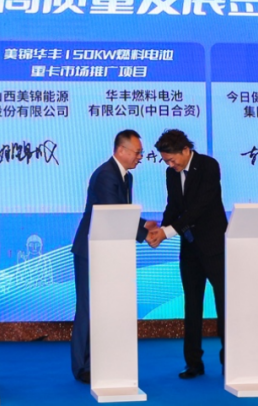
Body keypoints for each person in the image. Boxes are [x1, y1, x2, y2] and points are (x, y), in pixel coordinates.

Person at [70, 130, 155, 383]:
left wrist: (143, 224)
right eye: (137, 152)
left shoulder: (125, 176)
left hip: (106, 250)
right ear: (121, 150)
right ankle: (83, 367)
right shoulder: (107, 174)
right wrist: (145, 234)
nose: (140, 157)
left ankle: (99, 360)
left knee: (102, 307)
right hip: (90, 251)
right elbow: (113, 210)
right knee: (88, 308)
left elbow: (120, 210)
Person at [147, 129, 227, 378]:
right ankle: (193, 363)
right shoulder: (171, 173)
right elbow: (173, 205)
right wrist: (160, 229)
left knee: (225, 304)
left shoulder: (208, 166)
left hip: (214, 247)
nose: (170, 165)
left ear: (185, 150)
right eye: (166, 162)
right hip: (190, 248)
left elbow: (199, 208)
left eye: (172, 160)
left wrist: (167, 232)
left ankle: (231, 360)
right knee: (192, 305)